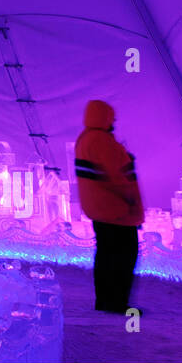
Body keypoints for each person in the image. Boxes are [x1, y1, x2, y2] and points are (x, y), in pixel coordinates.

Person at [75, 100, 144, 314]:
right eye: (111, 117)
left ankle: (104, 300)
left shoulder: (84, 139)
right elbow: (120, 177)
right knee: (123, 257)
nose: (113, 122)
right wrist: (131, 204)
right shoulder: (103, 141)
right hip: (117, 210)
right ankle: (117, 303)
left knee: (105, 256)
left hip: (99, 210)